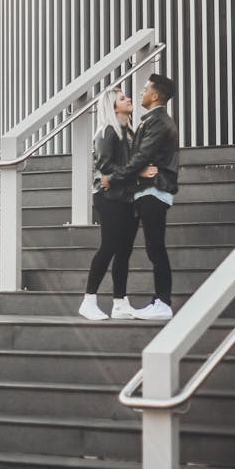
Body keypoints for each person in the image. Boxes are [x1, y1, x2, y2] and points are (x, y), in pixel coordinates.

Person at [101, 73, 179, 320]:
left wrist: (113, 178)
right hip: (145, 189)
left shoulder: (158, 122)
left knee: (156, 248)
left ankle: (163, 302)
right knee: (153, 247)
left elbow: (141, 157)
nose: (141, 93)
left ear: (155, 95)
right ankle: (159, 300)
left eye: (145, 89)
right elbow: (139, 159)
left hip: (154, 190)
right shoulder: (149, 121)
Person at [78, 88, 156, 321]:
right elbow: (106, 169)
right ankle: (88, 300)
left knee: (124, 251)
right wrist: (139, 171)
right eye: (122, 98)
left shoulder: (129, 133)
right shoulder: (107, 132)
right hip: (109, 197)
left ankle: (120, 303)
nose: (129, 99)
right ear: (113, 107)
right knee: (109, 246)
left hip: (128, 198)